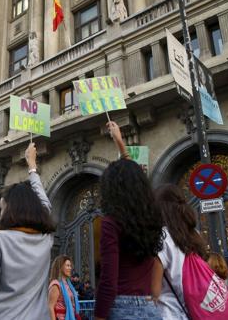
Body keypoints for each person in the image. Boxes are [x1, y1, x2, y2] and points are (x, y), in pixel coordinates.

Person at [0, 142, 56, 319]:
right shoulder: (45, 239)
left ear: (11, 210)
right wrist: (32, 166)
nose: (0, 214)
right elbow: (45, 205)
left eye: (2, 208)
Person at [94, 121, 163, 320]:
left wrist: (98, 316)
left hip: (121, 308)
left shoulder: (110, 223)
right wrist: (121, 144)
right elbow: (137, 180)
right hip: (150, 309)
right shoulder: (151, 218)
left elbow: (109, 280)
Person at [150, 184, 209, 320]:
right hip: (198, 312)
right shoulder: (195, 235)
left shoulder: (161, 239)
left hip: (170, 314)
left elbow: (155, 292)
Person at [49, 255, 81, 320]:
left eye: (70, 266)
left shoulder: (69, 284)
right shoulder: (56, 284)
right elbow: (50, 307)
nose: (70, 268)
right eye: (67, 265)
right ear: (60, 267)